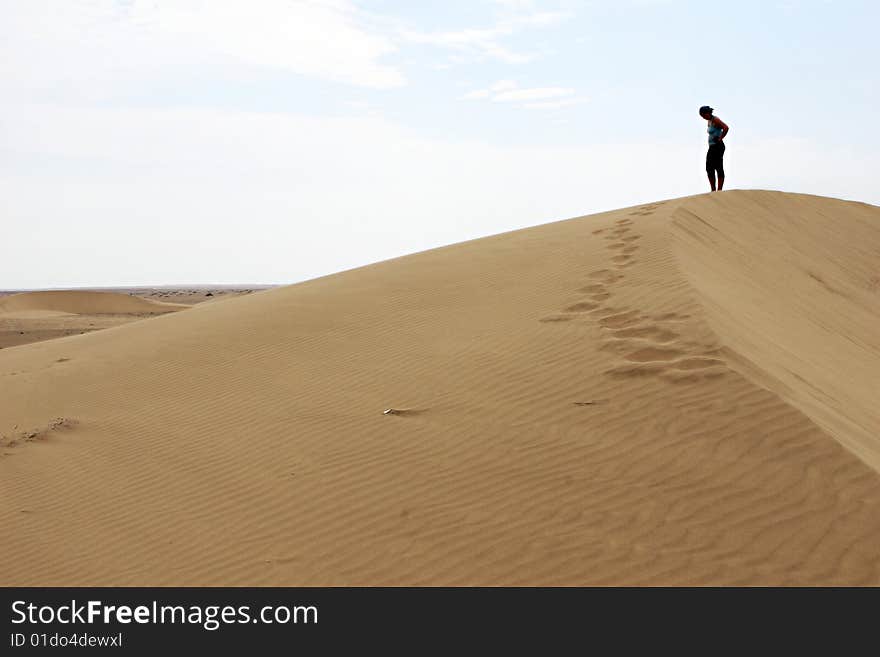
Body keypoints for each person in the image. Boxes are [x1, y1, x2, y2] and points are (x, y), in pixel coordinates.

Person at [699, 105, 729, 191]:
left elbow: (726, 127)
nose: (703, 117)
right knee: (709, 167)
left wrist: (720, 138)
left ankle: (719, 190)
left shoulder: (715, 119)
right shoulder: (709, 121)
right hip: (712, 147)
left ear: (708, 113)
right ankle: (713, 189)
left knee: (718, 166)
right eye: (702, 116)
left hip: (718, 146)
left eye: (704, 115)